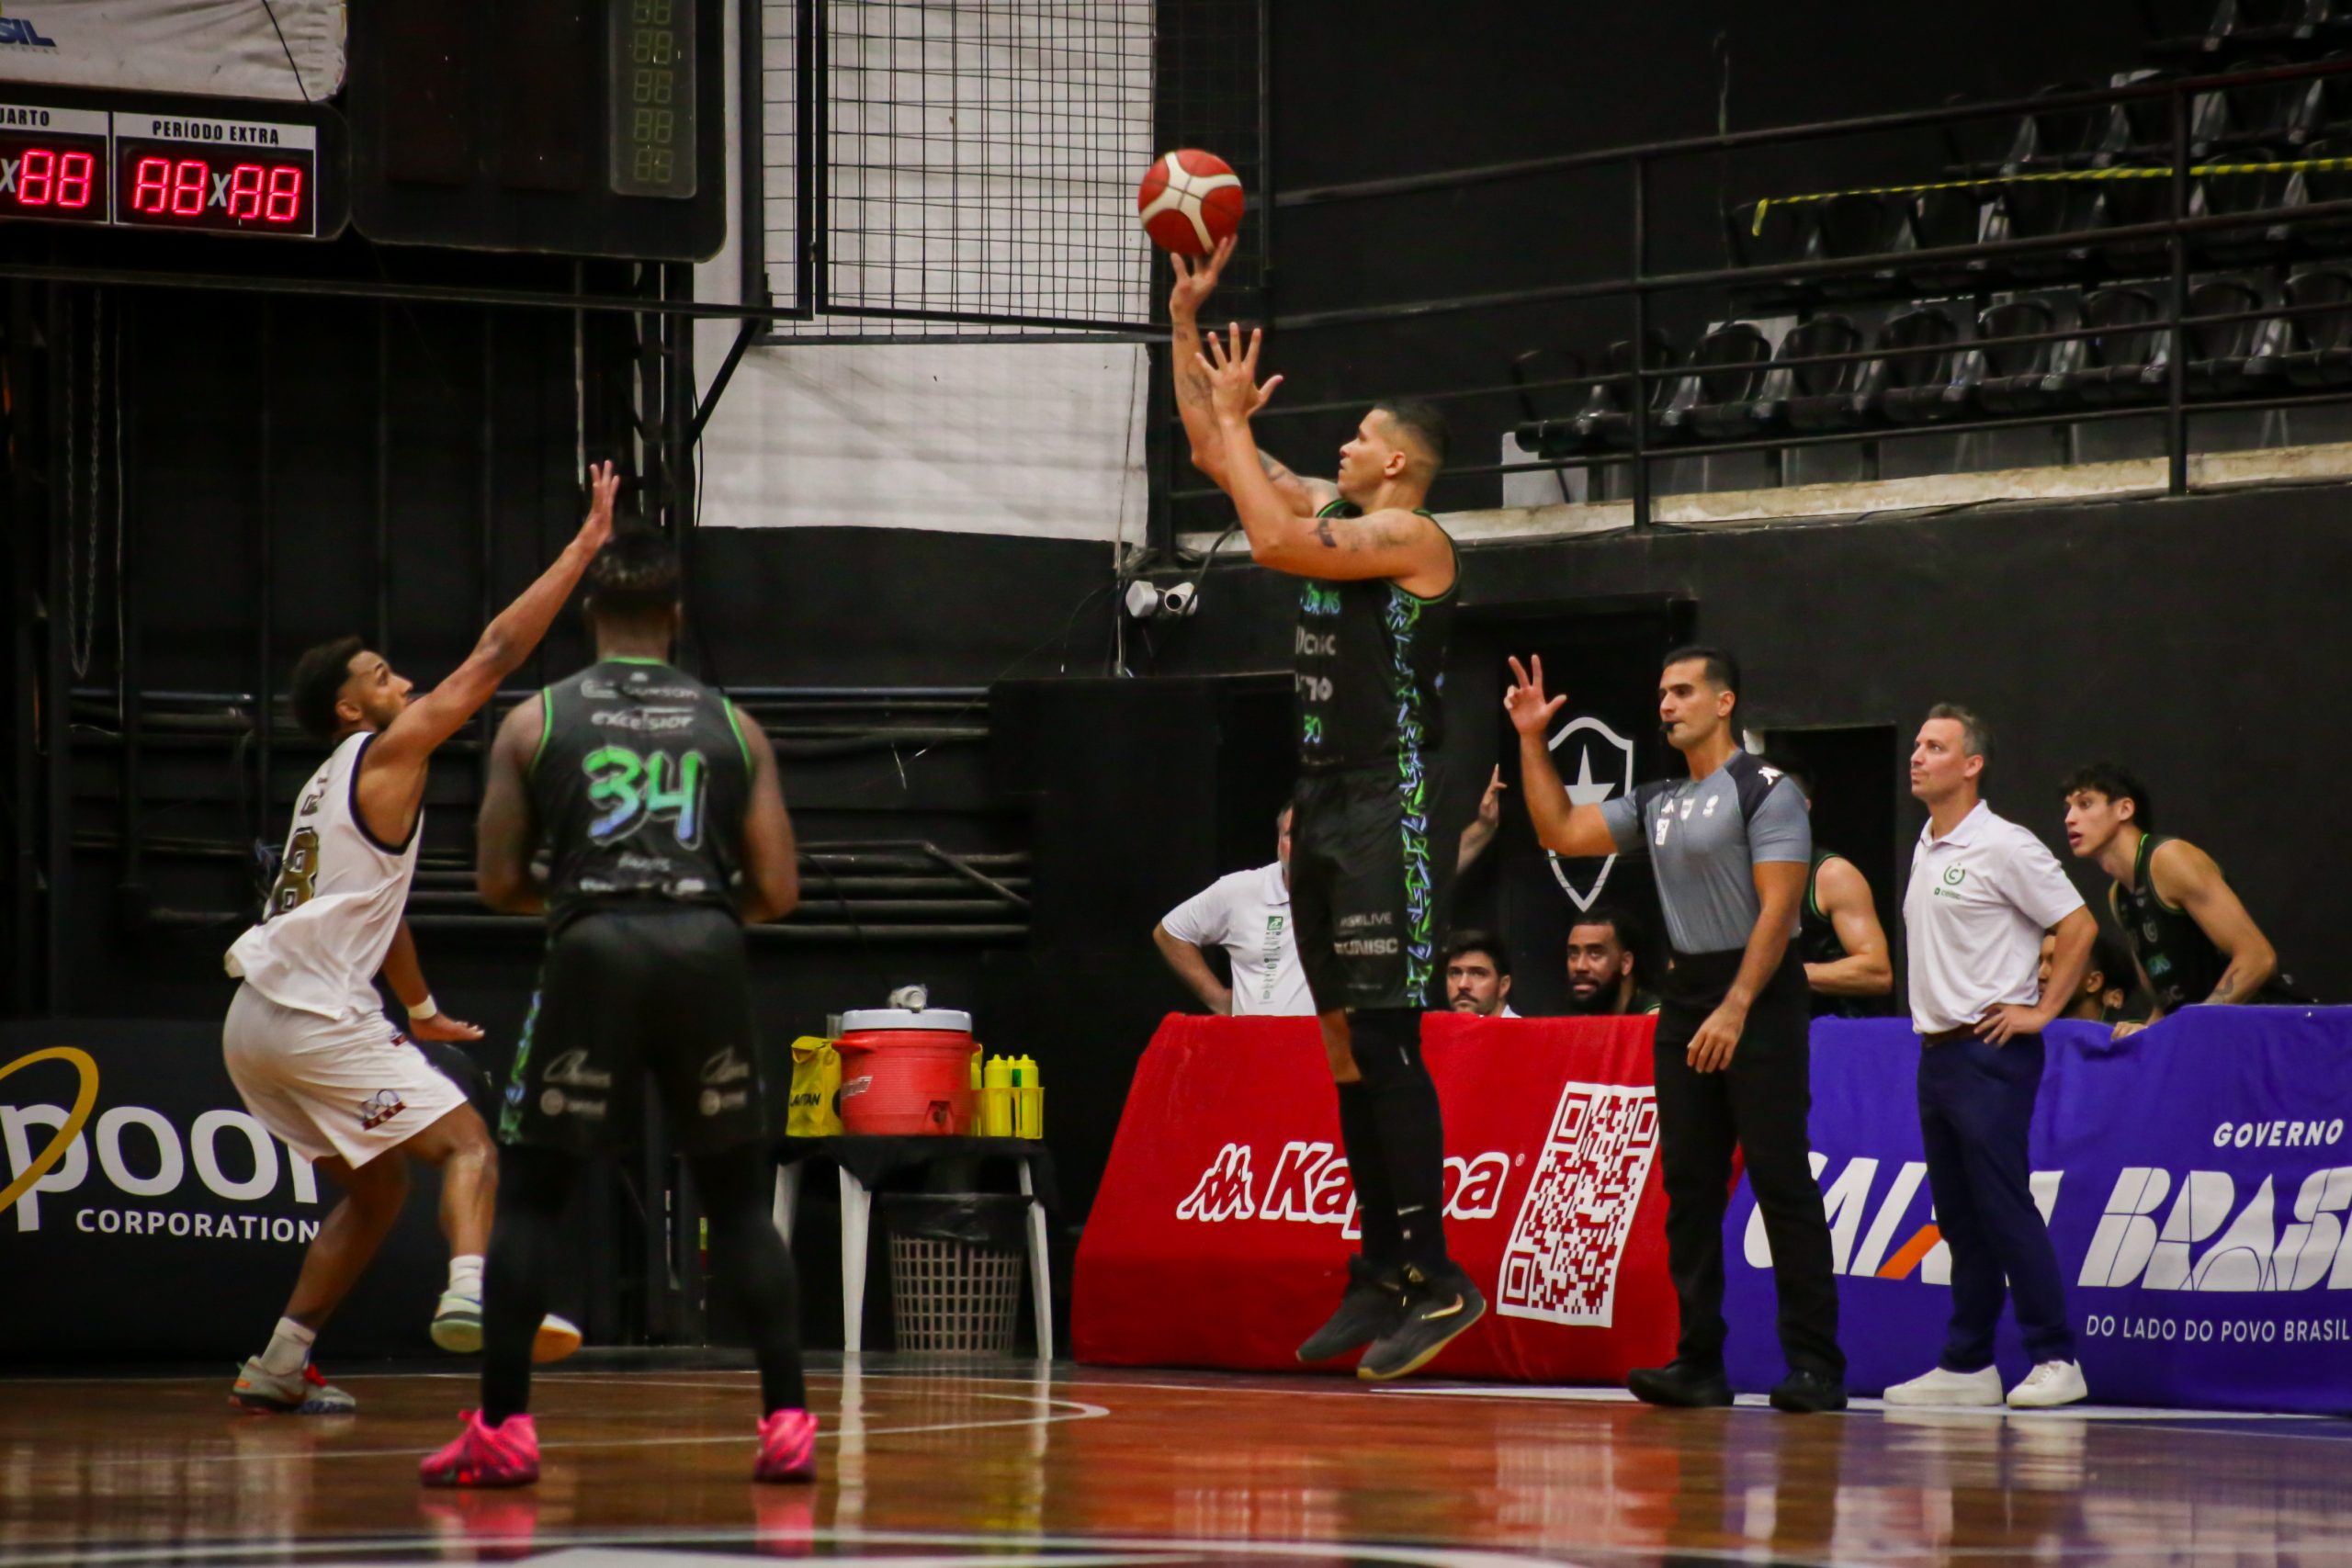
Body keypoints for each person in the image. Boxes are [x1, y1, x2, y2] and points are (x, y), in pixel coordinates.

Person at [219, 465, 618, 1414]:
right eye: (382, 676)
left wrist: (423, 1009)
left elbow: (378, 910)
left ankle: (279, 1362)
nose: (404, 682)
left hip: (253, 1027)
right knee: (471, 1144)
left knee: (377, 1192)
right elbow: (495, 654)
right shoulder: (388, 752)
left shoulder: (326, 787)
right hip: (313, 1016)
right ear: (352, 710)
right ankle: (473, 1294)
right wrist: (582, 547)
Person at [424, 528, 810, 1488]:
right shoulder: (735, 726)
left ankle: (503, 1429)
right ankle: (787, 1423)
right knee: (738, 1201)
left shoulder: (536, 721)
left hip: (594, 947)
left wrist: (589, 898)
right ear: (674, 618)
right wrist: (693, 904)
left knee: (532, 1198)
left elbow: (497, 882)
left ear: (590, 616)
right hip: (705, 949)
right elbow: (777, 889)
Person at [1175, 236, 1482, 1381]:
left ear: (1396, 462)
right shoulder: (1335, 507)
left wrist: (1238, 424)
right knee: (1343, 1045)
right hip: (1320, 798)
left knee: (1388, 1037)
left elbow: (1267, 536)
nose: (1340, 445)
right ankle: (1381, 1270)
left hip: (1385, 801)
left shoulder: (1410, 537)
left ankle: (1439, 1276)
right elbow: (1210, 452)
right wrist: (1185, 325)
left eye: (1358, 436)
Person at [1508, 647, 1846, 1414]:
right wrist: (1531, 739)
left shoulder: (1766, 790)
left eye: (1684, 691)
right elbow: (1561, 831)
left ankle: (1816, 1365)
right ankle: (1698, 1362)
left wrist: (1737, 1003)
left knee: (1780, 1177)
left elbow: (1779, 911)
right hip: (1689, 990)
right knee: (1688, 1185)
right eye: (1662, 692)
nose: (1667, 704)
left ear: (1725, 702)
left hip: (1759, 992)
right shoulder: (1657, 798)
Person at [1887, 705, 2094, 1411]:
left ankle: (2056, 1355)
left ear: (1972, 765)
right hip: (1937, 1054)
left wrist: (2042, 1009)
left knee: (2004, 1206)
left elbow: (2078, 923)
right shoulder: (1927, 843)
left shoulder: (2005, 844)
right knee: (1959, 1217)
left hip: (1991, 1052)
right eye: (1917, 744)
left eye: (1935, 746)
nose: (1917, 755)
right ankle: (1969, 1363)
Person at [2061, 762, 2301, 1037]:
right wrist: (2145, 1033)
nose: (2069, 818)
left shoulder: (2169, 859)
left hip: (2273, 1031)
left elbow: (2258, 958)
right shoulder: (2119, 896)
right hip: (2214, 1037)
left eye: (2085, 804)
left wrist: (2190, 1026)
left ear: (2124, 809)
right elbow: (2165, 1005)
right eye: (2067, 808)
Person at [1154, 805, 1315, 1017]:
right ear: (1279, 842)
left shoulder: (1353, 893)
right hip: (1255, 1037)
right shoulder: (1241, 890)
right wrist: (1218, 999)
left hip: (1333, 1037)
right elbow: (1170, 933)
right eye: (1291, 834)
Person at [1772, 762, 1894, 1017]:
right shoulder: (1732, 875)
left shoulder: (1832, 875)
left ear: (1803, 807)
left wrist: (1784, 975)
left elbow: (1877, 972)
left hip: (1828, 1028)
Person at [1565, 907, 1662, 1017]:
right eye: (1574, 954)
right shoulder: (1584, 1020)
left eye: (1595, 954)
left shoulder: (1659, 1021)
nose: (1580, 966)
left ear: (1625, 963)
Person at [2039, 928, 2136, 1024]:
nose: (2040, 975)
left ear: (2093, 981)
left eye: (2056, 962)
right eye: (2038, 963)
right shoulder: (2034, 1029)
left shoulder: (2131, 1033)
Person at [1443, 930, 1518, 1017]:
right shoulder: (1441, 1025)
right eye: (1455, 973)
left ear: (1503, 985)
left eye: (1477, 974)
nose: (1462, 985)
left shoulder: (1523, 1026)